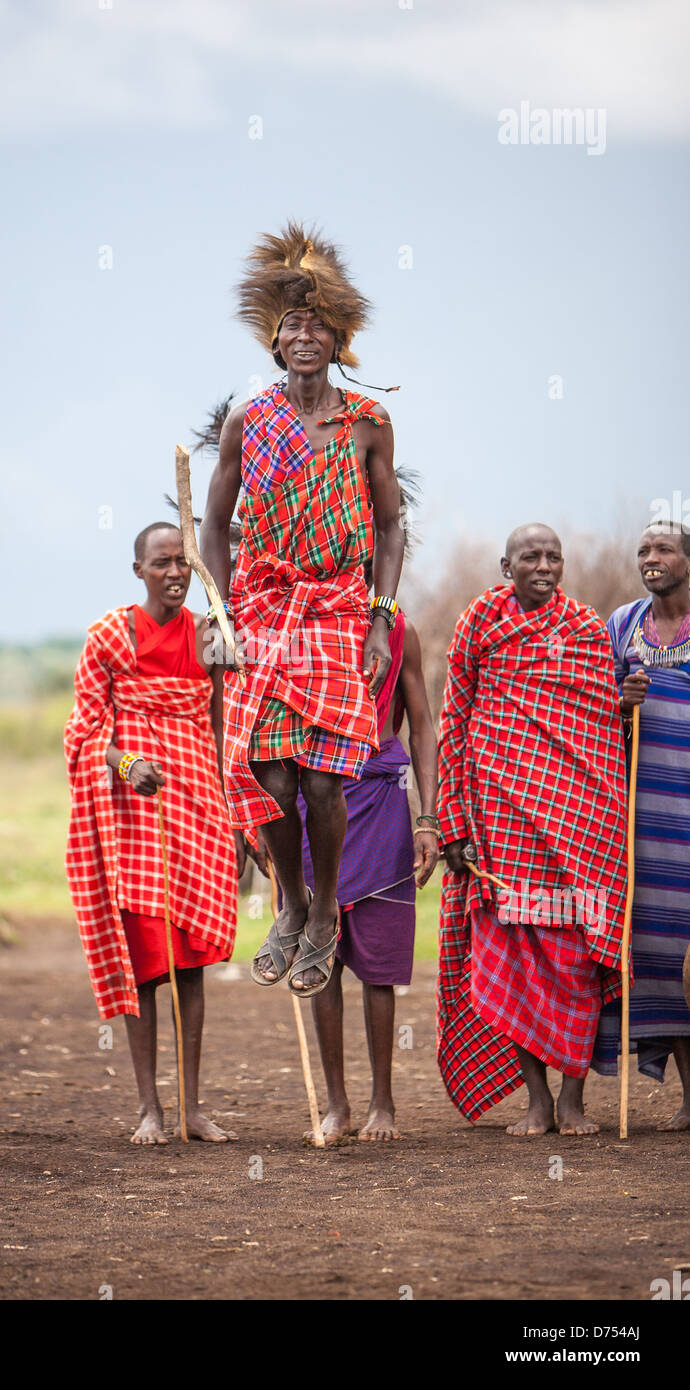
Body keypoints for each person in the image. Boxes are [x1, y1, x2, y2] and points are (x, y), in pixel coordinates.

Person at [200, 222, 405, 1000]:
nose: (305, 336)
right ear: (275, 345)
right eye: (293, 327)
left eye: (319, 325)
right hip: (262, 606)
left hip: (337, 610)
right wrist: (220, 617)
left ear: (339, 340)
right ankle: (289, 901)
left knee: (325, 784)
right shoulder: (248, 422)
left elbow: (390, 527)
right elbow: (214, 527)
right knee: (269, 777)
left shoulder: (367, 424)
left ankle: (324, 920)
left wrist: (382, 620)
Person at [436, 524, 628, 1136]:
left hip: (581, 821)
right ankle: (537, 1100)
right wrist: (453, 824)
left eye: (553, 557)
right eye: (531, 556)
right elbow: (454, 721)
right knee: (514, 961)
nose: (544, 566)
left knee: (575, 959)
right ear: (505, 564)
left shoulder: (586, 629)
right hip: (501, 822)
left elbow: (600, 722)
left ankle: (573, 1098)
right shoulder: (479, 623)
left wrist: (626, 701)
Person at [64, 523, 240, 1144]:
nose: (174, 573)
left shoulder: (208, 635)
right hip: (134, 821)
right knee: (144, 968)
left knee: (189, 967)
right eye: (161, 563)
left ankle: (192, 1107)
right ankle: (149, 1108)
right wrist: (124, 764)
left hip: (198, 812)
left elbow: (224, 728)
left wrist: (233, 810)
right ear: (137, 569)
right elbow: (83, 736)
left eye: (182, 564)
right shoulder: (109, 638)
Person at [299, 570, 439, 1142]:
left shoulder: (398, 628)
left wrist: (428, 817)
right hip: (312, 797)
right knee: (320, 954)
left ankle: (384, 1101)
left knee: (379, 964)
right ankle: (337, 1104)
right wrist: (262, 821)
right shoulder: (297, 624)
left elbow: (423, 724)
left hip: (381, 798)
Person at [592, 522, 690, 1131]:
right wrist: (619, 700)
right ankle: (689, 1095)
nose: (650, 559)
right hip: (644, 817)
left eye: (663, 550)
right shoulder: (622, 626)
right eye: (643, 551)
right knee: (656, 953)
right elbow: (589, 706)